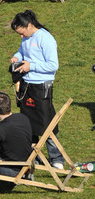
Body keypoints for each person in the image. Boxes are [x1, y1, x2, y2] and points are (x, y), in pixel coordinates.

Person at [9, 9, 62, 167]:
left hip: (41, 86)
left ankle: (57, 158)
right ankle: (32, 157)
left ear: (30, 25)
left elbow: (53, 65)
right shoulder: (26, 37)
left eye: (22, 32)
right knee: (27, 122)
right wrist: (17, 57)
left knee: (47, 122)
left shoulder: (46, 39)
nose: (21, 36)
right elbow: (22, 51)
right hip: (27, 84)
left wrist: (31, 66)